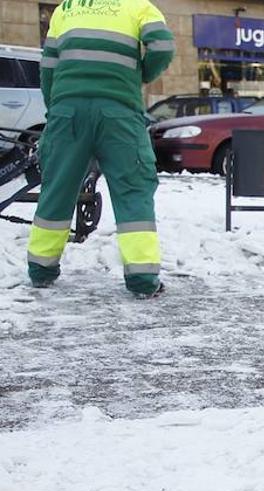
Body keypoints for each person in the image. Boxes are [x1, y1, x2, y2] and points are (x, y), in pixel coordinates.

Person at [27, 0, 175, 297]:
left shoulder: (65, 9)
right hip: (120, 114)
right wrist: (142, 74)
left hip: (68, 112)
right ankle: (142, 280)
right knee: (133, 191)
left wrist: (57, 110)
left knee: (56, 188)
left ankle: (41, 270)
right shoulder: (138, 7)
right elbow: (162, 46)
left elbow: (48, 68)